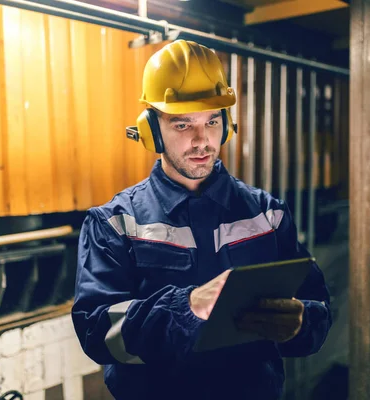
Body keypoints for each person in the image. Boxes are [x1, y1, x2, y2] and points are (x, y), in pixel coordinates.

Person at [72, 39, 332, 400]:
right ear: (151, 130)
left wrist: (301, 323)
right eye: (182, 125)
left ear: (226, 124)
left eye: (212, 121)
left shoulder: (267, 213)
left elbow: (317, 307)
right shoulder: (114, 222)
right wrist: (187, 307)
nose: (202, 140)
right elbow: (96, 331)